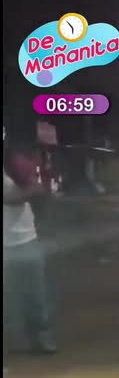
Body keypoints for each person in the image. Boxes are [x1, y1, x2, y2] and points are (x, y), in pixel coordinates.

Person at [3, 126, 56, 354]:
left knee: (35, 297)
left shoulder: (14, 166)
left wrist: (38, 176)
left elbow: (39, 196)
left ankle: (41, 341)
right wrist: (34, 187)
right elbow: (11, 198)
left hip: (27, 240)